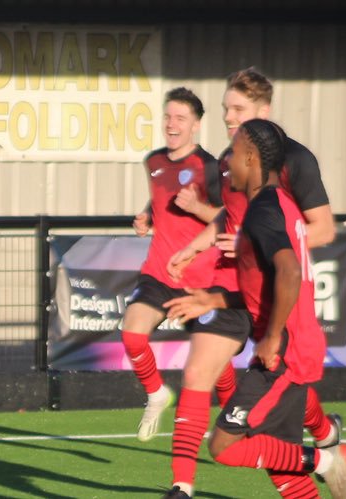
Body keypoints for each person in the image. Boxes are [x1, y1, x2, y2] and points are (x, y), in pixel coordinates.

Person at [169, 119, 346, 499]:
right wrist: (214, 299)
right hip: (292, 347)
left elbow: (289, 269)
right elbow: (265, 287)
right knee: (281, 467)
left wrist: (270, 339)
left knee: (224, 446)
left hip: (282, 354)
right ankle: (319, 464)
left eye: (234, 153)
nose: (228, 161)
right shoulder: (280, 202)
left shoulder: (262, 210)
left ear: (251, 158)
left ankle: (325, 461)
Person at [119, 89, 242, 456]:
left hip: (201, 279)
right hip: (158, 272)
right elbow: (161, 200)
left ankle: (236, 419)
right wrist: (146, 216)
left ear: (196, 125)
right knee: (131, 333)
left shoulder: (211, 167)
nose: (172, 124)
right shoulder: (153, 160)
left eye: (180, 118)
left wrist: (197, 206)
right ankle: (157, 394)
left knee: (216, 365)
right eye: (168, 117)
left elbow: (226, 218)